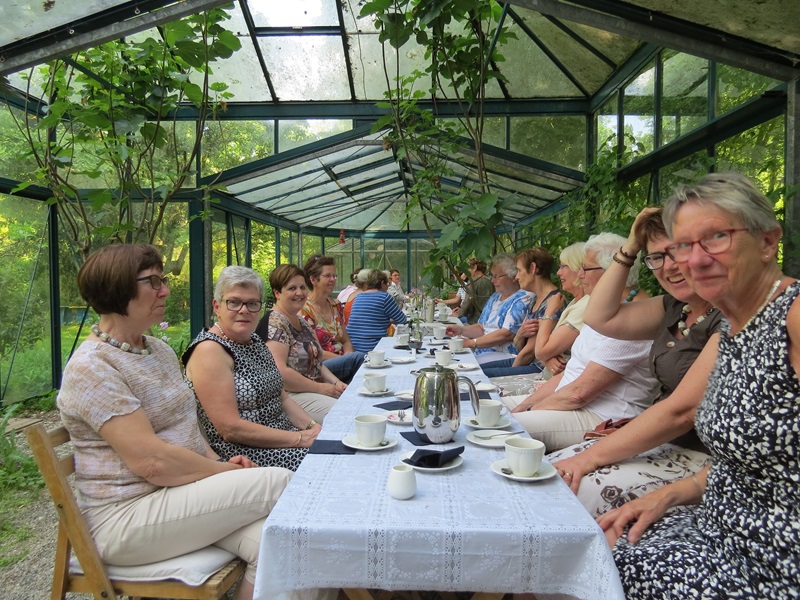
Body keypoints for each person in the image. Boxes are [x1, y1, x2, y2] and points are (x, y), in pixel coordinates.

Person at [600, 172, 799, 598]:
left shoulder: (792, 317)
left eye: (716, 238)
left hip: (770, 564)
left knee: (583, 566)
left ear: (768, 242)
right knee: (583, 545)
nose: (694, 260)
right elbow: (754, 464)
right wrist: (670, 495)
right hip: (715, 529)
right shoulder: (733, 326)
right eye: (683, 246)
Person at [56, 245, 290, 600]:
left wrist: (217, 462)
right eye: (153, 281)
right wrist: (227, 474)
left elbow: (186, 427)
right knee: (280, 482)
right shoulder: (92, 368)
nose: (165, 290)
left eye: (162, 280)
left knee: (288, 543)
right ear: (117, 288)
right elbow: (154, 463)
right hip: (126, 519)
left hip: (177, 498)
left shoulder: (158, 349)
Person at [547, 208, 721, 516]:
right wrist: (630, 248)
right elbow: (598, 317)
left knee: (559, 494)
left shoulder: (730, 315)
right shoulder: (674, 307)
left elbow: (681, 412)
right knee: (546, 471)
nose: (669, 266)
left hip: (700, 455)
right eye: (656, 257)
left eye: (676, 251)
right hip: (661, 442)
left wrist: (589, 459)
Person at [507, 233, 656, 451]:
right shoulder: (605, 309)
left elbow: (579, 393)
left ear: (612, 270)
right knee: (483, 411)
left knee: (501, 429)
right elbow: (569, 375)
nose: (579, 275)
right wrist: (526, 404)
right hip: (571, 402)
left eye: (586, 268)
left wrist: (531, 410)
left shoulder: (637, 318)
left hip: (602, 415)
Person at [183, 266, 322, 472]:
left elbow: (282, 398)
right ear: (216, 306)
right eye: (234, 302)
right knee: (331, 464)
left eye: (252, 303)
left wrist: (313, 428)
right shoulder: (210, 351)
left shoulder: (255, 341)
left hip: (284, 438)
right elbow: (230, 429)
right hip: (246, 454)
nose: (244, 310)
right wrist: (300, 438)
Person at [256, 264, 344, 423]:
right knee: (343, 413)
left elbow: (317, 360)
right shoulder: (275, 322)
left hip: (312, 390)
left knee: (353, 400)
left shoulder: (301, 321)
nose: (299, 293)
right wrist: (321, 388)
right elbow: (280, 372)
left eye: (303, 287)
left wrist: (336, 383)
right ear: (277, 293)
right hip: (289, 396)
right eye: (292, 288)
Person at [481, 248, 565, 378]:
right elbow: (520, 344)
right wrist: (519, 335)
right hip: (526, 361)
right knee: (474, 372)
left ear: (533, 268)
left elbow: (529, 353)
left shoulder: (554, 302)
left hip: (538, 369)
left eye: (519, 271)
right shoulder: (536, 299)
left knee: (479, 376)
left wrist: (509, 374)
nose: (516, 276)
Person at [446, 253, 534, 365]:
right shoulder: (496, 296)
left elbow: (506, 334)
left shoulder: (523, 297)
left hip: (506, 356)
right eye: (492, 276)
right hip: (484, 352)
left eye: (497, 276)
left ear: (513, 276)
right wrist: (460, 330)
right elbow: (482, 327)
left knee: (460, 367)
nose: (492, 281)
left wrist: (471, 343)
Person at [301, 255, 364, 383]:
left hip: (344, 361)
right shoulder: (304, 310)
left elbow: (346, 341)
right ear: (313, 279)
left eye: (334, 276)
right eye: (328, 276)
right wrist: (347, 359)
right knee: (361, 359)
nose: (332, 279)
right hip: (320, 366)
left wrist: (347, 356)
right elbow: (316, 352)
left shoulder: (335, 305)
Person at [534, 241, 589, 377]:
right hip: (550, 378)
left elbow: (541, 351)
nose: (558, 273)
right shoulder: (576, 302)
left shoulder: (585, 305)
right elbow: (546, 351)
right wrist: (548, 358)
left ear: (579, 268)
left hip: (560, 384)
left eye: (564, 266)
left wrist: (549, 311)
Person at [346, 268, 408, 352]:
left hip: (353, 347)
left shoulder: (358, 297)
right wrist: (388, 321)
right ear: (382, 283)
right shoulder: (385, 297)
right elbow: (402, 320)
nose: (388, 287)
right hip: (374, 348)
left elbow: (367, 320)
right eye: (387, 284)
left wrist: (383, 320)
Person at [457, 258, 495, 324]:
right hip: (489, 320)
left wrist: (458, 314)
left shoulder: (473, 281)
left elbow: (468, 302)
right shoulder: (491, 281)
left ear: (474, 267)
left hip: (475, 321)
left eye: (468, 268)